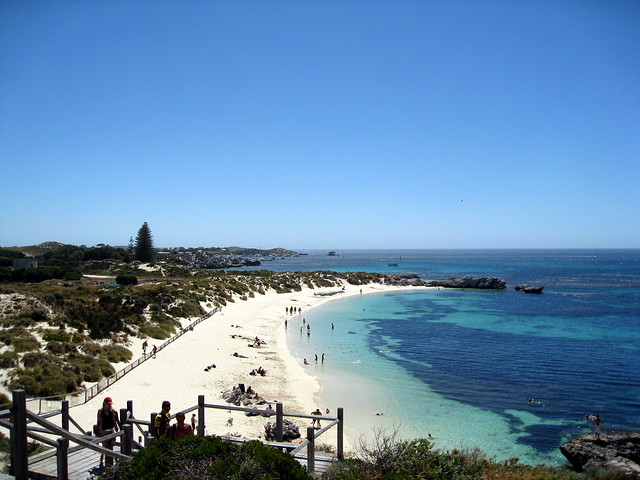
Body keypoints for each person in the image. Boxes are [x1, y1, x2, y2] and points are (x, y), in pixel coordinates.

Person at [96, 397, 121, 465]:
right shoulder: (100, 411)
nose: (109, 405)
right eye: (108, 404)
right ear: (104, 403)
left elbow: (116, 421)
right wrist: (99, 432)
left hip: (111, 430)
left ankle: (114, 458)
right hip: (104, 430)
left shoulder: (112, 411)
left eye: (110, 404)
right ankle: (103, 458)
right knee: (105, 445)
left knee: (111, 444)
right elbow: (99, 422)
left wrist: (118, 427)